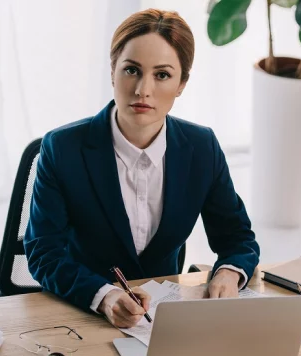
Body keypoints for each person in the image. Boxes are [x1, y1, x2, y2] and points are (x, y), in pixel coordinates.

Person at [23, 9, 260, 328]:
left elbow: (237, 238)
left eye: (162, 75)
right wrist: (105, 296)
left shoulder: (201, 147)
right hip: (81, 316)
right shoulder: (63, 148)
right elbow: (44, 253)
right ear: (113, 72)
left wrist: (229, 274)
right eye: (131, 70)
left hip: (163, 321)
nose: (142, 90)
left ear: (182, 83)